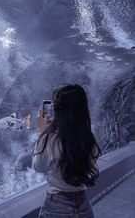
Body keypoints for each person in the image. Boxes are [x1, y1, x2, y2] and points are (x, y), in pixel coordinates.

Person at [32, 84, 101, 218]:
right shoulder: (90, 138)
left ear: (58, 110)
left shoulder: (49, 139)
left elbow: (38, 166)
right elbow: (79, 159)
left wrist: (41, 132)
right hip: (84, 207)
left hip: (56, 207)